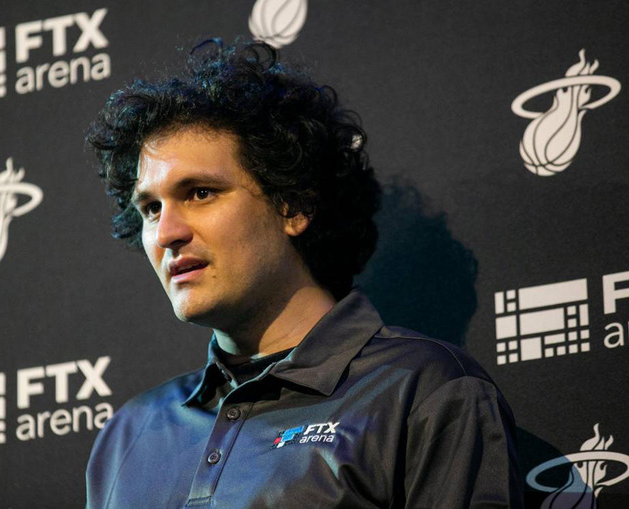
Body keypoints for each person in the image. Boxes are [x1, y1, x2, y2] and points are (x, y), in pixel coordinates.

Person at [85, 40, 522, 508]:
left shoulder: (425, 390)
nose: (167, 231)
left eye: (200, 193)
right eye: (150, 208)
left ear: (293, 205)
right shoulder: (128, 434)